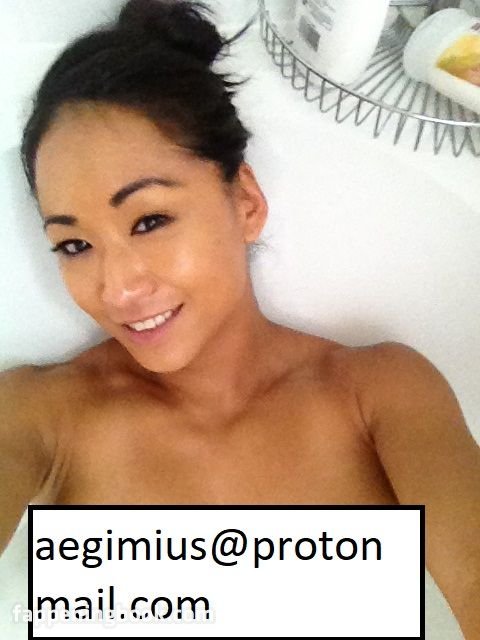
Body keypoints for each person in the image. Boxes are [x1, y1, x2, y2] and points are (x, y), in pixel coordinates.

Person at [1, 0, 479, 635]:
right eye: (74, 245)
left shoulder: (380, 393)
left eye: (149, 220)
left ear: (246, 202)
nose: (117, 288)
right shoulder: (38, 414)